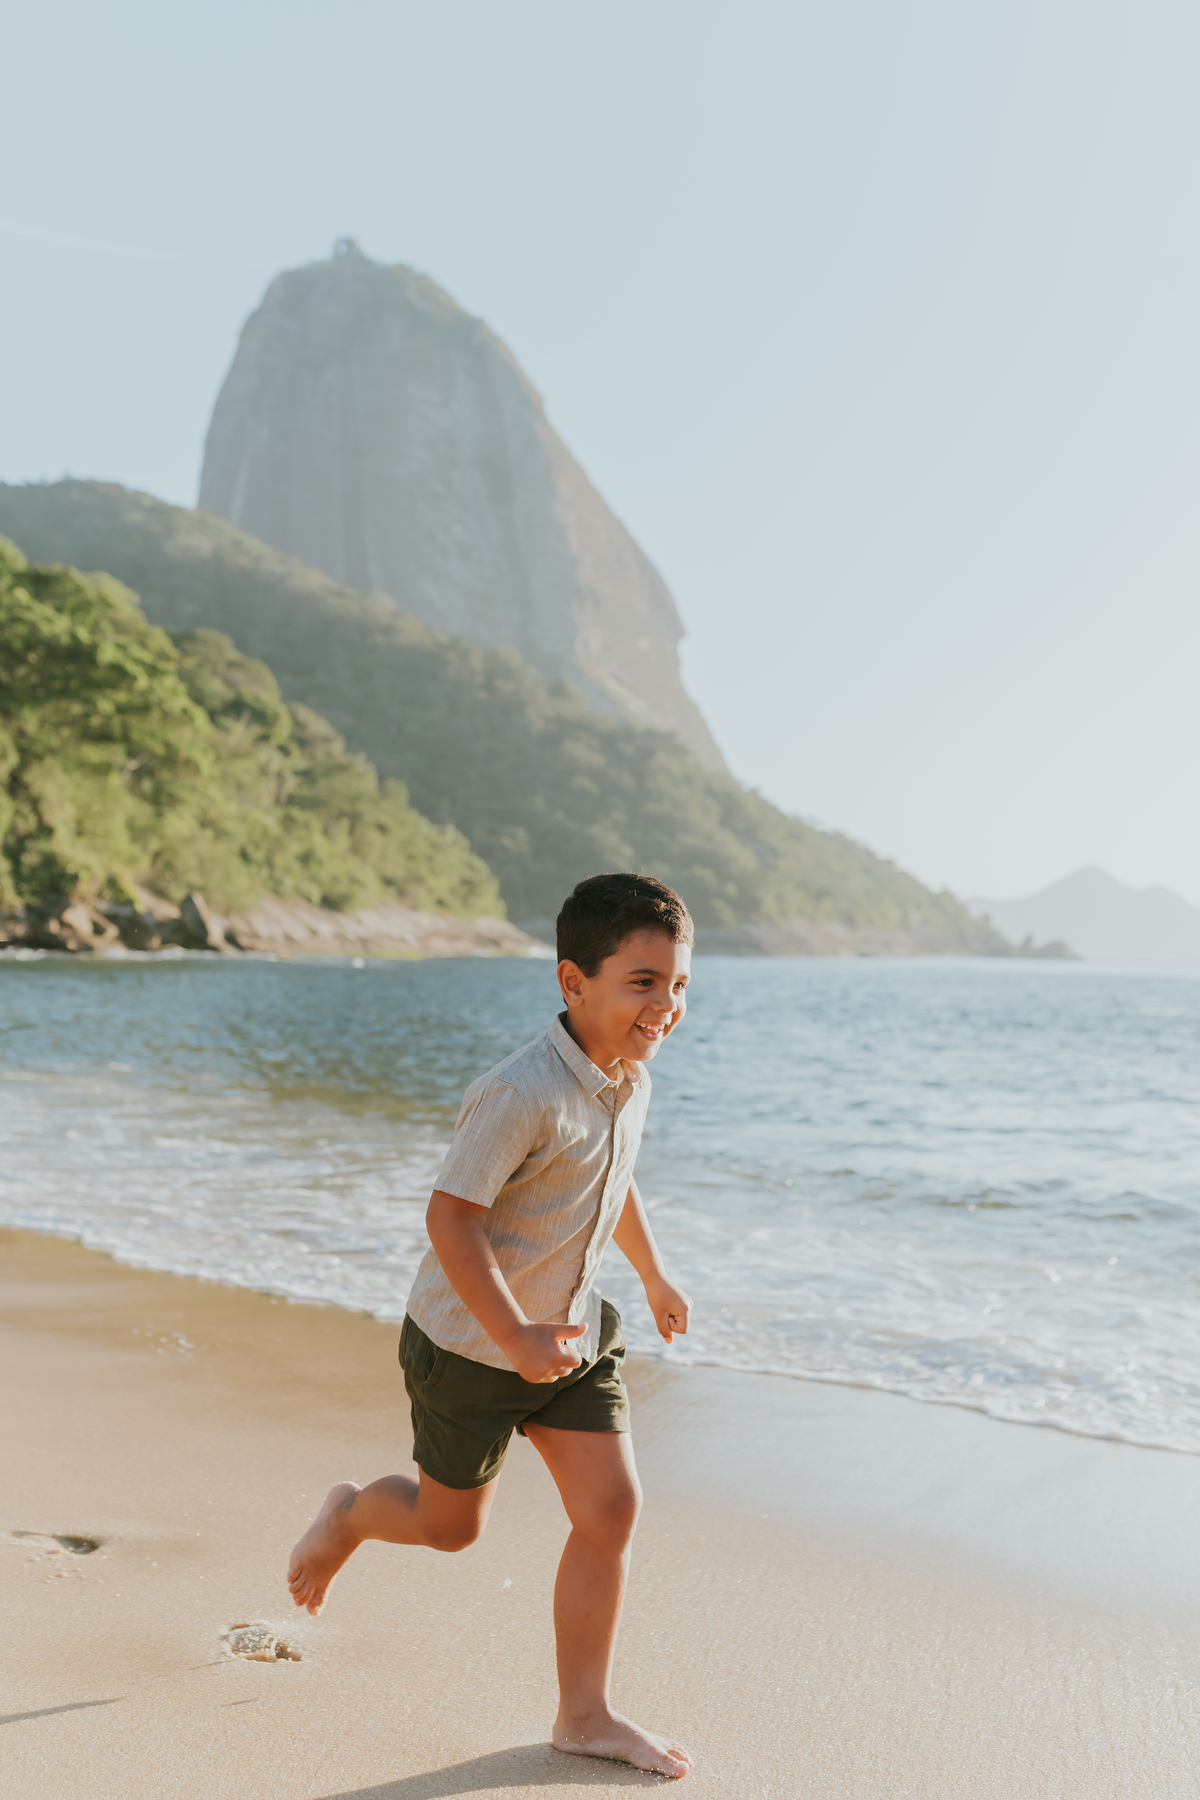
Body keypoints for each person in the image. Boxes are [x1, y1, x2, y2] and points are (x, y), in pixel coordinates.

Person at [287, 871, 696, 1779]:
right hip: (471, 1347)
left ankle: (583, 1715)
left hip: (573, 1337)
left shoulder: (629, 1082)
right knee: (449, 1528)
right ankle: (348, 1516)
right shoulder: (520, 1092)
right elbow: (452, 1217)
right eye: (643, 982)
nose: (665, 1004)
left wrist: (655, 1273)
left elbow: (613, 1177)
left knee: (613, 1508)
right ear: (573, 982)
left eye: (677, 984)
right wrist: (513, 1336)